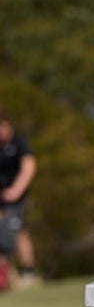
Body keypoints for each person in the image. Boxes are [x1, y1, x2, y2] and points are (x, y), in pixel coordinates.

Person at [0, 112, 38, 289]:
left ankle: (29, 272)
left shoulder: (18, 143)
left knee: (17, 231)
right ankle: (7, 277)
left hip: (15, 198)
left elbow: (29, 166)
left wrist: (16, 190)